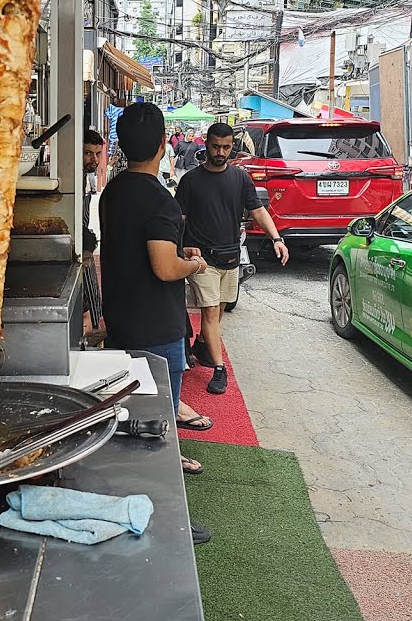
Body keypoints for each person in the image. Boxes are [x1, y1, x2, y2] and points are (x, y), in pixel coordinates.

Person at [99, 103, 213, 544]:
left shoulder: (115, 191)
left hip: (124, 318)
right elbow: (164, 268)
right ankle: (164, 515)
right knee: (159, 423)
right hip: (156, 327)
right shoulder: (159, 200)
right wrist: (194, 264)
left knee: (131, 419)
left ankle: (131, 497)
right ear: (165, 143)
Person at [176, 123, 289, 394]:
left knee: (219, 311)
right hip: (202, 260)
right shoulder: (191, 181)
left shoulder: (240, 178)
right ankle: (219, 368)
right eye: (216, 146)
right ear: (207, 144)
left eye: (226, 147)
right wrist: (178, 250)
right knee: (211, 311)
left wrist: (277, 239)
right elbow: (179, 220)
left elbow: (258, 210)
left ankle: (202, 347)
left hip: (231, 256)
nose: (220, 152)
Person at [81, 130, 105, 340]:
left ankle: (94, 328)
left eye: (97, 154)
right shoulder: (74, 177)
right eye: (88, 153)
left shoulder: (86, 178)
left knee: (92, 290)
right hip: (77, 247)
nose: (94, 159)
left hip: (85, 244)